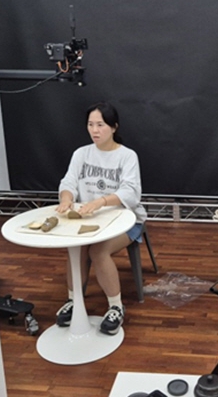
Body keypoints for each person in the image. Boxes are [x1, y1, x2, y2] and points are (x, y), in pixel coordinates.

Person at [55, 101, 147, 335]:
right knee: (76, 247)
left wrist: (100, 202)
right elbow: (68, 181)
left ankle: (116, 307)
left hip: (127, 220)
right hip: (91, 219)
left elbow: (131, 193)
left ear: (114, 127)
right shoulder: (81, 153)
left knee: (97, 251)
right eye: (90, 125)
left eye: (101, 125)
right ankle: (74, 300)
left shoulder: (127, 156)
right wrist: (66, 198)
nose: (95, 130)